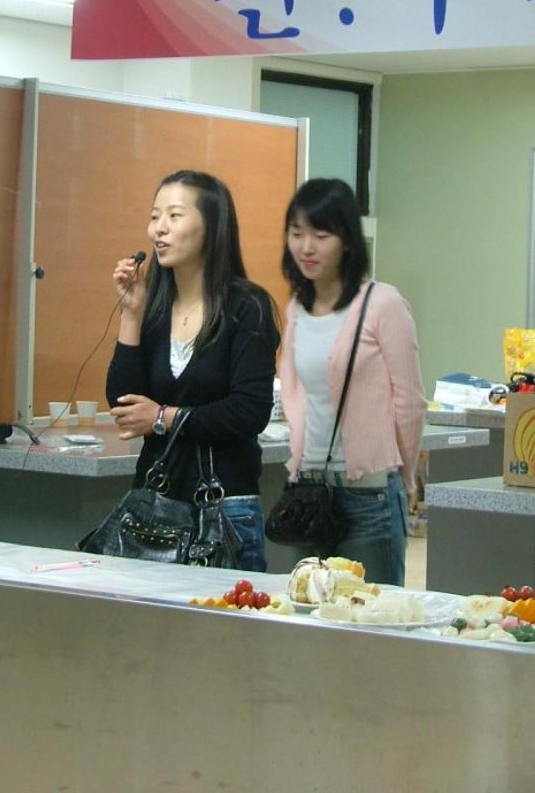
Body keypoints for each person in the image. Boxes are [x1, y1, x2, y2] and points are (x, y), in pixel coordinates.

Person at [106, 169, 280, 572]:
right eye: (155, 217)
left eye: (174, 215)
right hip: (154, 511)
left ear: (211, 226)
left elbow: (249, 411)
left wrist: (163, 417)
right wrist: (131, 314)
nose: (159, 229)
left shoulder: (246, 307)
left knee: (224, 616)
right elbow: (123, 405)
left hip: (225, 511)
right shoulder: (153, 308)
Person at [279, 178, 426, 585]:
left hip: (370, 492)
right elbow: (296, 392)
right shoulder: (296, 308)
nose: (306, 247)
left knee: (373, 612)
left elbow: (409, 402)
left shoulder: (382, 303)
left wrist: (406, 477)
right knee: (308, 609)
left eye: (320, 235)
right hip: (308, 489)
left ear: (346, 240)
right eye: (297, 233)